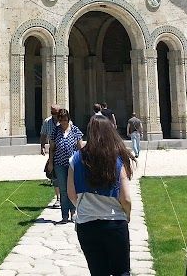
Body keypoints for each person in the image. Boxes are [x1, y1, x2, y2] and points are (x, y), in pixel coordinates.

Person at [68, 114, 135, 276]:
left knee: (98, 272)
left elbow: (71, 194)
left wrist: (85, 208)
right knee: (121, 271)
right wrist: (127, 214)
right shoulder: (117, 159)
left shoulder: (76, 159)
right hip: (114, 223)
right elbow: (125, 198)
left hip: (86, 225)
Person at [47, 108, 84, 224]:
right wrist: (51, 162)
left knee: (72, 188)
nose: (63, 122)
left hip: (73, 164)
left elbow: (80, 147)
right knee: (63, 189)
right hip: (59, 163)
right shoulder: (55, 131)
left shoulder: (75, 130)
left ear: (68, 118)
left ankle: (73, 212)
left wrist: (82, 162)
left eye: (65, 119)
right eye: (61, 119)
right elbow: (52, 148)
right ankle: (64, 215)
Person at [40, 104, 61, 208]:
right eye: (53, 113)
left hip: (65, 152)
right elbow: (43, 134)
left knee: (66, 175)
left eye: (56, 113)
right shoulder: (47, 122)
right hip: (53, 152)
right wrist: (42, 146)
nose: (55, 115)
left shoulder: (65, 121)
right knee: (54, 175)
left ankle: (68, 199)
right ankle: (58, 198)